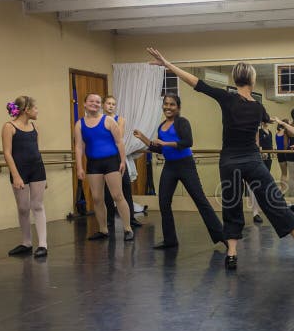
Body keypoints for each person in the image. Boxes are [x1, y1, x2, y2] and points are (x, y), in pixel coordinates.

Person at [146, 48, 294, 270]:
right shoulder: (258, 107)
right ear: (252, 79)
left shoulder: (227, 98)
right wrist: (281, 122)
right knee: (274, 201)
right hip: (252, 161)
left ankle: (231, 253)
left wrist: (168, 64)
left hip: (230, 162)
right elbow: (268, 119)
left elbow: (196, 83)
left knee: (232, 206)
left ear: (236, 79)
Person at [132, 94, 225, 249]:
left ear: (178, 107)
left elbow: (187, 142)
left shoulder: (182, 122)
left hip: (185, 165)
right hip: (170, 166)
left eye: (172, 104)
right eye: (166, 104)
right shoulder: (161, 126)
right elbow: (159, 149)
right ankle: (170, 240)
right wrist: (143, 138)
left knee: (200, 200)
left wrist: (165, 142)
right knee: (164, 203)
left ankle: (222, 236)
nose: (168, 107)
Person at [74, 93, 134, 241]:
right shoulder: (79, 124)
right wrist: (79, 167)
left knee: (117, 195)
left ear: (100, 105)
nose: (94, 104)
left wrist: (122, 161)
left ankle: (127, 229)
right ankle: (103, 230)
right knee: (96, 198)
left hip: (111, 162)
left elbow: (119, 142)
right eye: (91, 101)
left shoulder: (108, 120)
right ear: (85, 103)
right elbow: (79, 147)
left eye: (97, 102)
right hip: (93, 163)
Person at [2, 96, 48, 257]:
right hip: (20, 170)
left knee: (37, 205)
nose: (37, 111)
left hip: (37, 169)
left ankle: (43, 245)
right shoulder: (9, 127)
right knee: (23, 208)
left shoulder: (34, 126)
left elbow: (36, 150)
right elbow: (7, 153)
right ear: (26, 110)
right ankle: (26, 242)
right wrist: (16, 176)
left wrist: (44, 177)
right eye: (35, 108)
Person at [101, 96, 141, 229]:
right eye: (108, 103)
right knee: (107, 190)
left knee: (126, 187)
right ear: (103, 105)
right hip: (105, 157)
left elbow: (119, 135)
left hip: (118, 156)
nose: (111, 106)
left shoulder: (121, 119)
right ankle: (109, 219)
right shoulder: (99, 120)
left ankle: (131, 218)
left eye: (113, 104)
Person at [275, 119, 289, 192]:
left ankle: (283, 190)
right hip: (287, 153)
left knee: (283, 173)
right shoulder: (286, 133)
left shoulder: (277, 133)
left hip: (280, 153)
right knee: (293, 173)